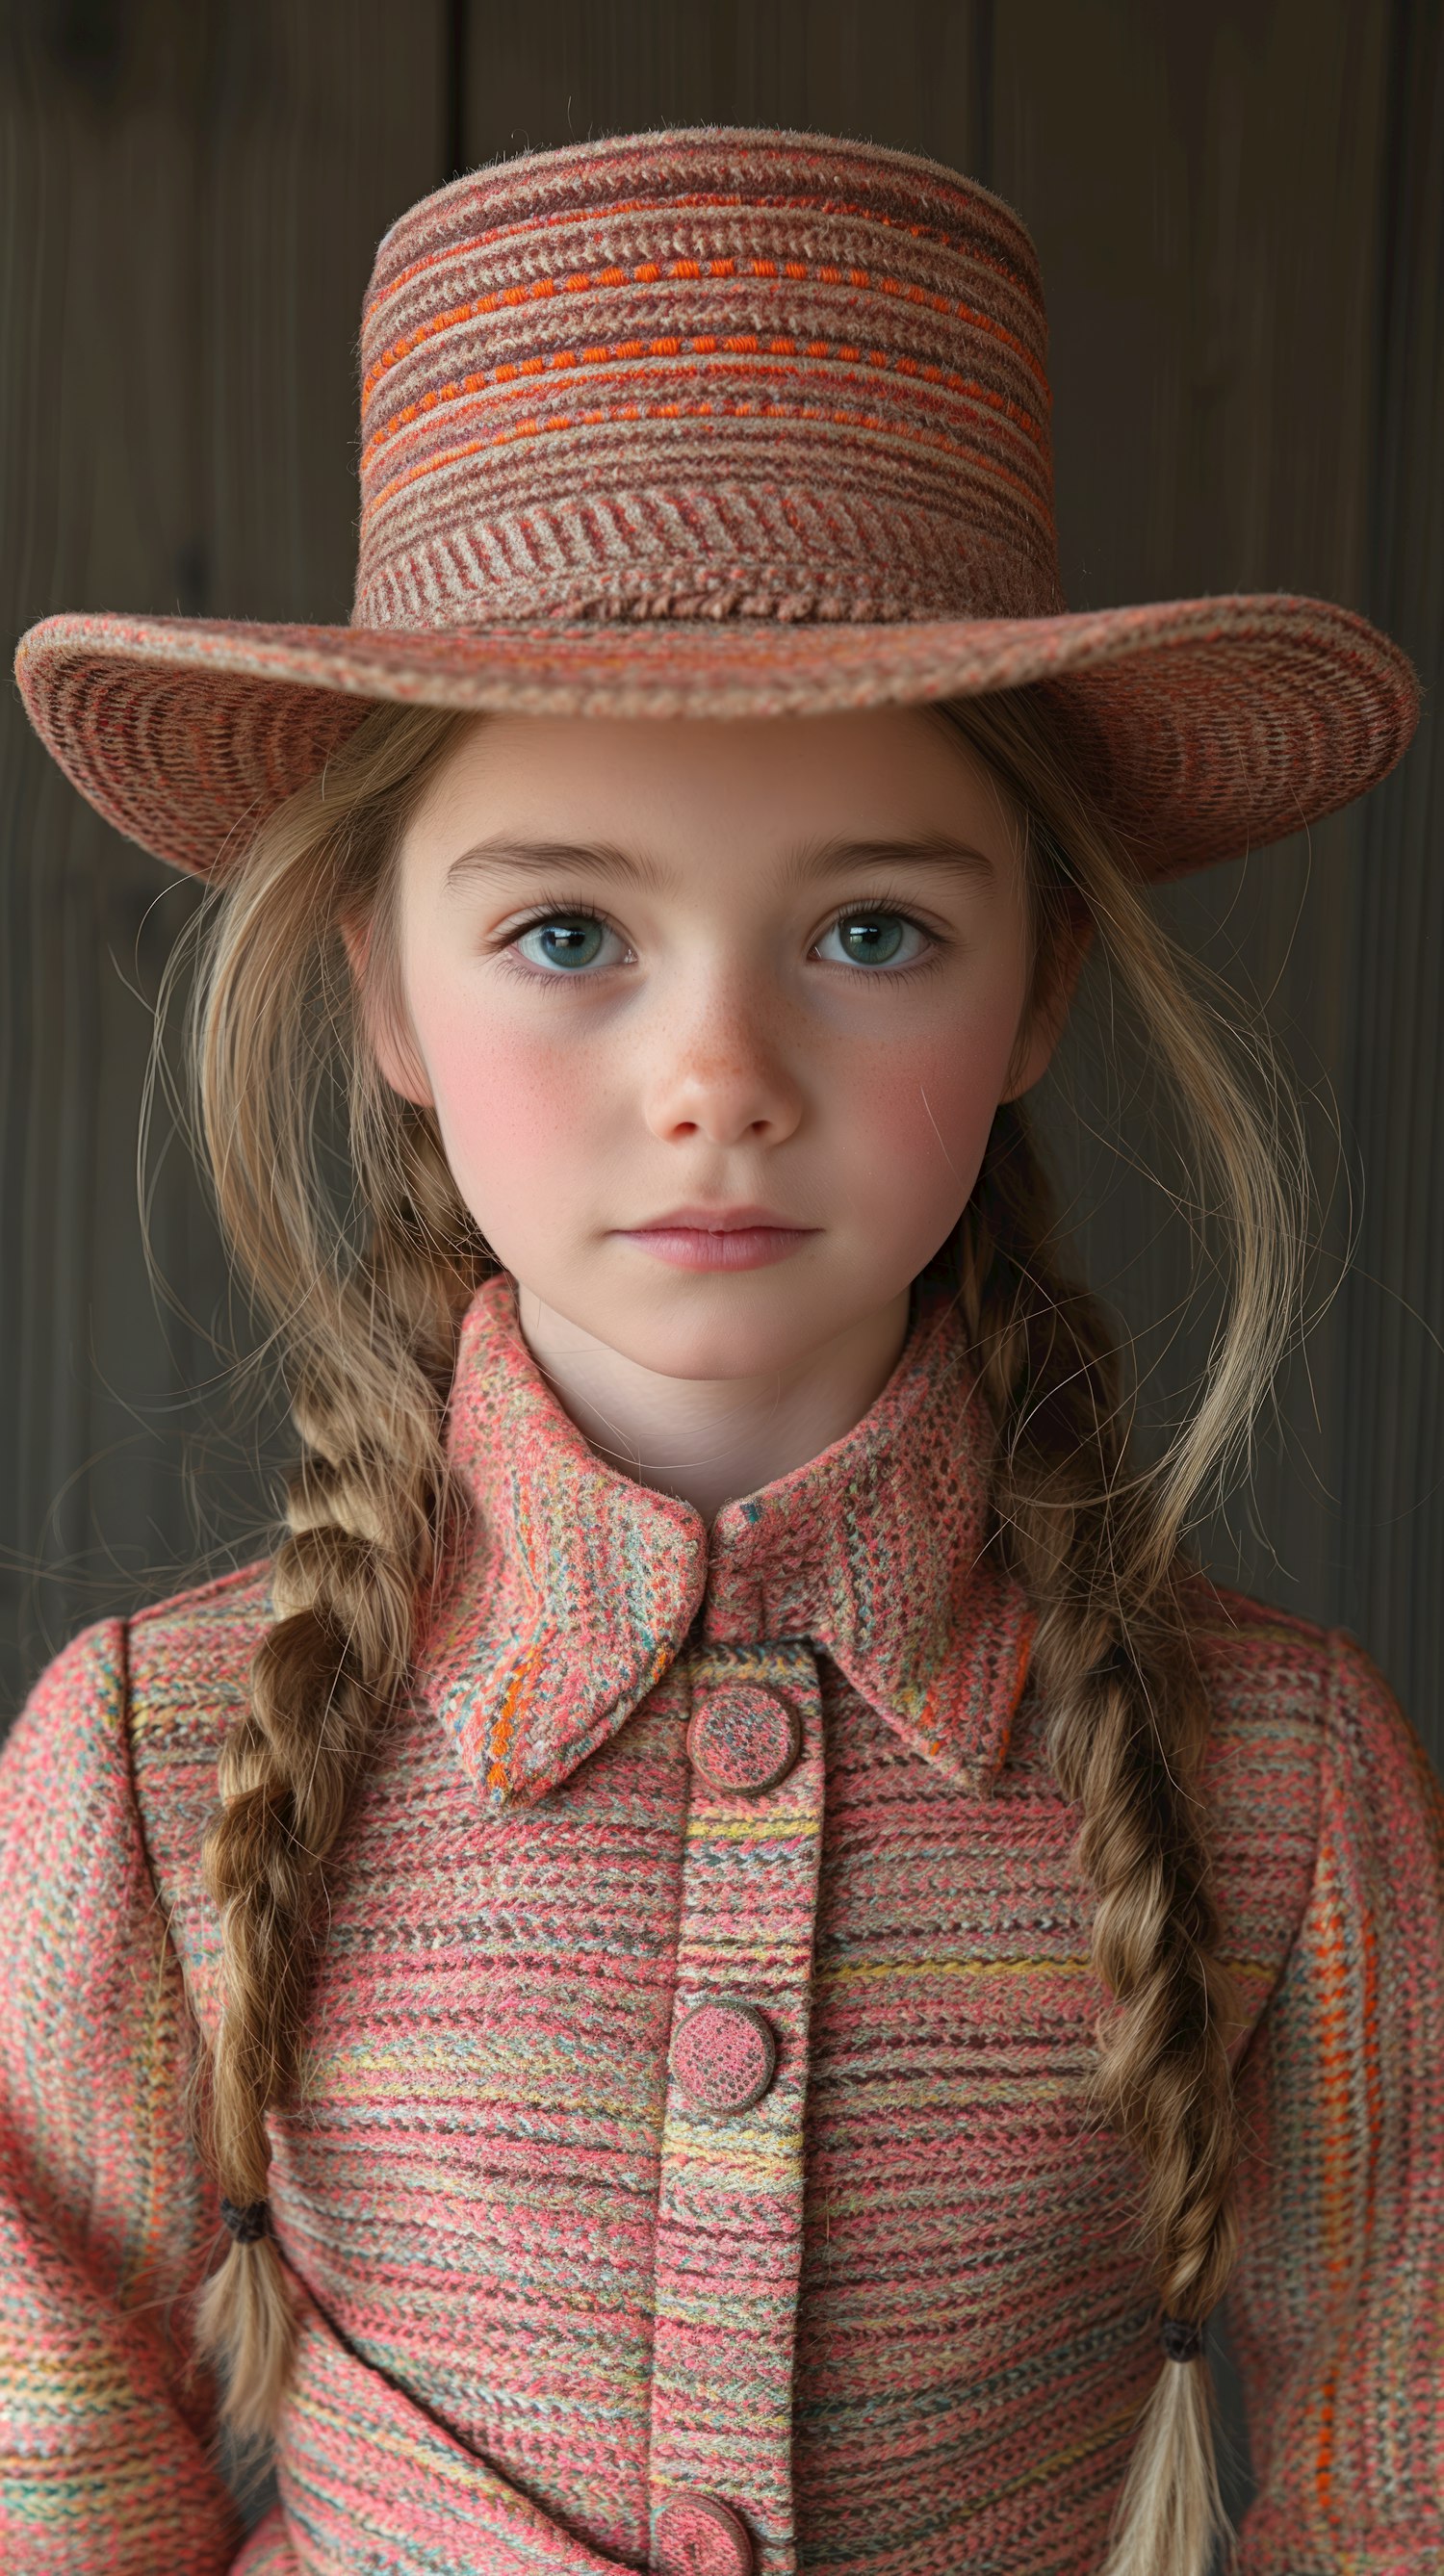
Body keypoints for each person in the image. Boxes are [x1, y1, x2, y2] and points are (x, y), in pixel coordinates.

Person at [2, 126, 1439, 2576]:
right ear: (378, 985)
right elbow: (52, 2461)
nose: (720, 1073)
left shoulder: (1282, 1786)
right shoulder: (151, 1764)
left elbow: (1381, 2476)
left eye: (871, 932)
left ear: (1035, 992)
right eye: (568, 931)